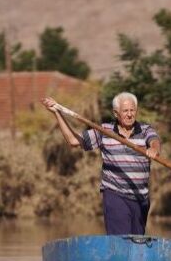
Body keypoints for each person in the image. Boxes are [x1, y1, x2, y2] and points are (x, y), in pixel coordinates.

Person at [41, 92, 161, 235]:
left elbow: (154, 141)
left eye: (132, 110)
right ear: (116, 113)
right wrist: (58, 113)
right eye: (125, 111)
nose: (129, 114)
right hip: (115, 193)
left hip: (141, 198)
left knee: (138, 241)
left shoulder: (146, 130)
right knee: (121, 240)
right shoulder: (105, 131)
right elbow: (74, 141)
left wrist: (154, 149)